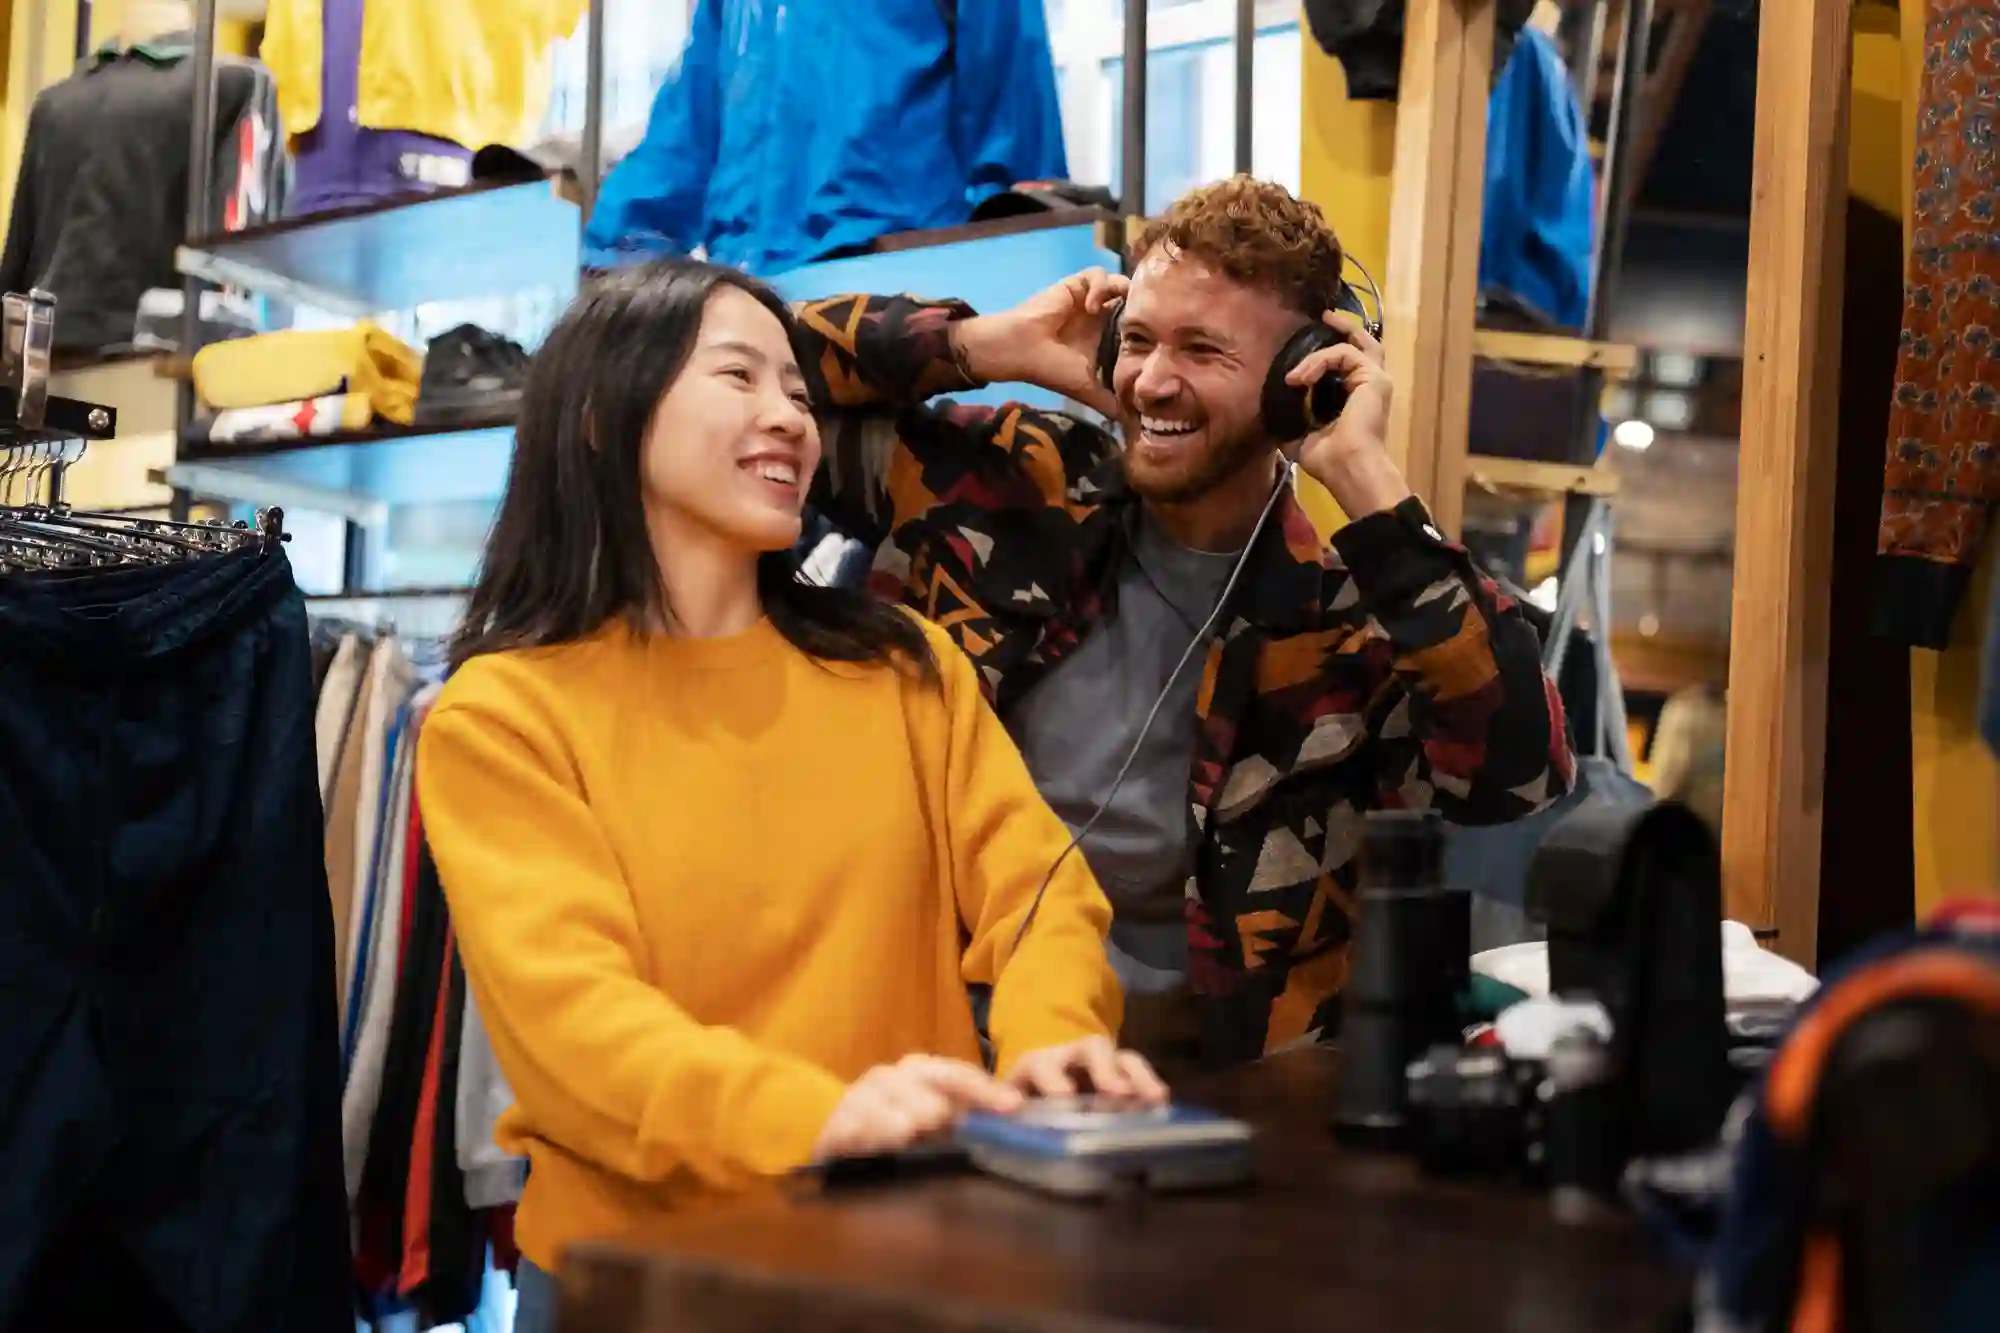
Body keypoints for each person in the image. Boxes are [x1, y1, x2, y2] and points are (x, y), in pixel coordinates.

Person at [415, 259, 1165, 1330]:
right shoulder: (501, 716)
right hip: (641, 1279)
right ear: (597, 417)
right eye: (739, 378)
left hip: (908, 1246)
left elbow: (1038, 891)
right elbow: (576, 1029)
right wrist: (825, 1117)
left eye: (799, 395)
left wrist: (1049, 1051)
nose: (787, 419)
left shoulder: (898, 662)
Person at [797, 176, 1576, 1065]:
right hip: (932, 1049)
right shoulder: (1009, 480)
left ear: (1298, 380)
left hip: (1202, 1097)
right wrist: (985, 344)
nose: (1152, 381)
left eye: (1203, 350)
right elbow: (749, 381)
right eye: (1137, 340)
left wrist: (1361, 472)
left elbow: (1519, 773)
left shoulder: (1355, 624)